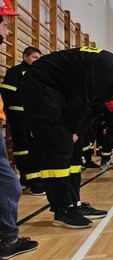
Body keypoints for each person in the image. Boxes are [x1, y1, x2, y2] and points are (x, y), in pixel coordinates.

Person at [21, 48, 113, 229]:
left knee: (75, 145)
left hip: (61, 92)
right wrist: (71, 129)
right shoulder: (109, 68)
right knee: (59, 144)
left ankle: (74, 204)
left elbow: (95, 107)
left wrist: (77, 131)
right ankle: (62, 210)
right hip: (41, 86)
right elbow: (81, 100)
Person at [0, 1, 39, 258]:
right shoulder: (17, 73)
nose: (6, 31)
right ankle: (7, 240)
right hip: (18, 119)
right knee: (8, 183)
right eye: (4, 23)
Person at [0, 46, 45, 195]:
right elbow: (7, 93)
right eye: (34, 57)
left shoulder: (39, 74)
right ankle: (33, 181)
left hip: (34, 116)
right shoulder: (16, 72)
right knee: (24, 147)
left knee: (34, 146)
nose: (37, 61)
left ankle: (28, 178)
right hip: (19, 115)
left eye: (39, 58)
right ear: (25, 56)